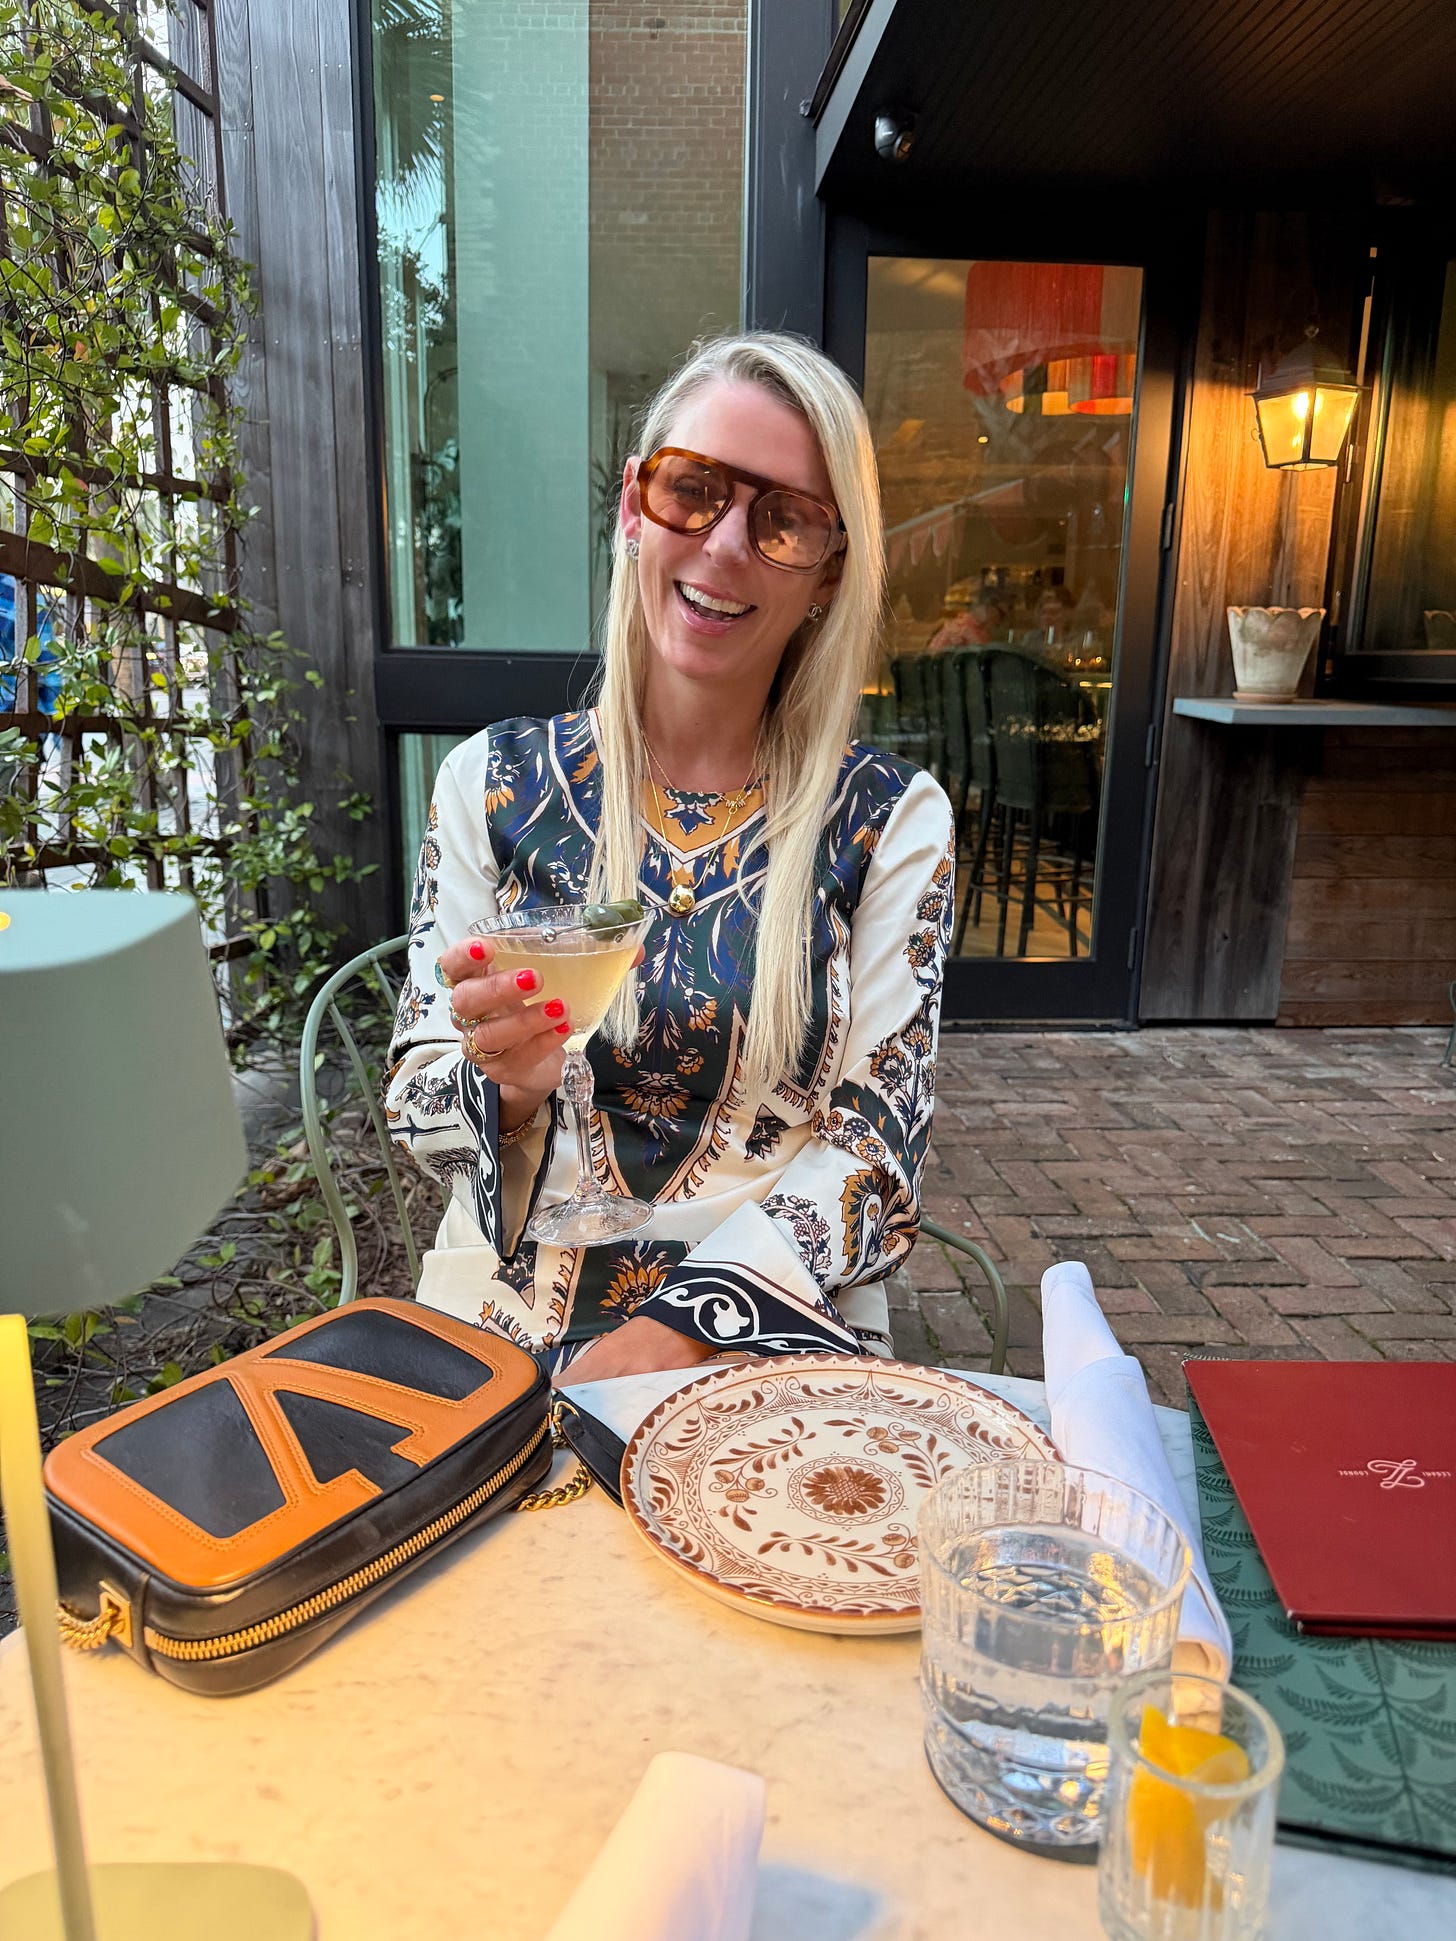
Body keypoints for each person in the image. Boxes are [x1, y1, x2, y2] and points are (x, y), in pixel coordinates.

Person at [384, 332, 955, 1384]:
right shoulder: (490, 782)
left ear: (828, 573)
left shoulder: (888, 821)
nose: (726, 543)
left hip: (774, 1323)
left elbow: (876, 1157)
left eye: (785, 519)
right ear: (633, 511)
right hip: (505, 1300)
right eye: (692, 490)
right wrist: (507, 1089)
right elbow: (420, 1103)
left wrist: (670, 1332)